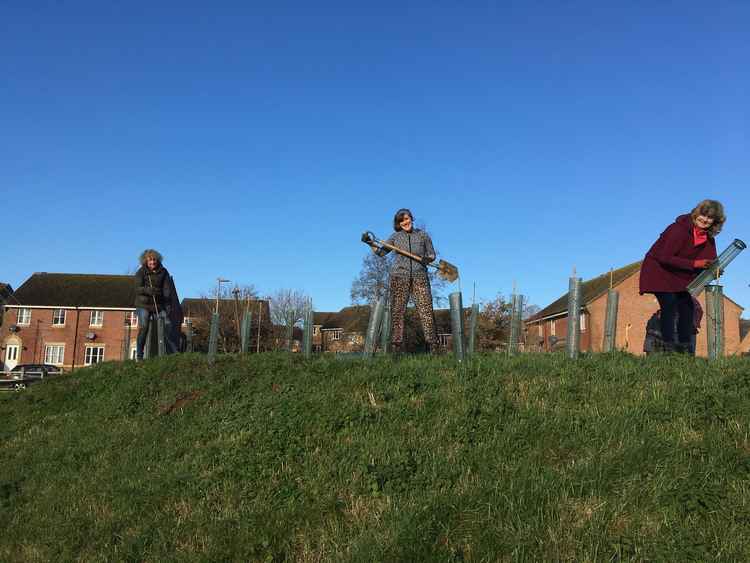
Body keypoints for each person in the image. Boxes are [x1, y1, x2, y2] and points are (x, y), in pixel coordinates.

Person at [639, 200, 724, 353]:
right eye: (703, 214)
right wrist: (696, 264)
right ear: (696, 213)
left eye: (710, 217)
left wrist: (714, 270)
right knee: (669, 303)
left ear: (715, 222)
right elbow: (664, 257)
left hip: (679, 274)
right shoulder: (678, 229)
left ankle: (685, 349)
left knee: (687, 307)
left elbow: (710, 262)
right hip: (658, 270)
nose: (704, 219)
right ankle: (669, 346)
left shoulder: (709, 240)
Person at [365, 208, 437, 353]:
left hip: (420, 276)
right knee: (397, 311)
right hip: (399, 276)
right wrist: (370, 243)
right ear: (398, 223)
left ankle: (433, 346)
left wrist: (427, 259)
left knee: (426, 310)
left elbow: (432, 254)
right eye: (402, 220)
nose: (405, 222)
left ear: (411, 218)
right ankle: (396, 347)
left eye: (407, 218)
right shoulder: (395, 237)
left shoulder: (423, 235)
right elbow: (380, 252)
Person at [134, 249, 175, 360]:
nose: (152, 262)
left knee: (167, 324)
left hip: (158, 304)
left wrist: (167, 305)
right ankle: (139, 354)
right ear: (146, 261)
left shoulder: (164, 272)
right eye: (150, 260)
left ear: (157, 260)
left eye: (154, 260)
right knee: (144, 326)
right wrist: (148, 290)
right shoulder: (141, 272)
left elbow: (167, 289)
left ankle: (171, 351)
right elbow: (137, 288)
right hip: (143, 304)